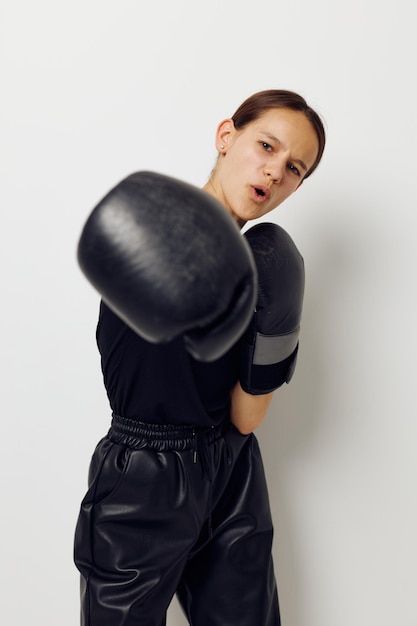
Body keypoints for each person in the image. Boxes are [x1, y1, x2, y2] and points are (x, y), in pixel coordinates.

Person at [74, 89, 326, 626]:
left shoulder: (260, 267)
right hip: (145, 476)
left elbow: (246, 416)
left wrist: (276, 317)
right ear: (226, 136)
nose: (275, 171)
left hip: (231, 465)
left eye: (295, 167)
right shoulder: (156, 228)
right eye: (266, 145)